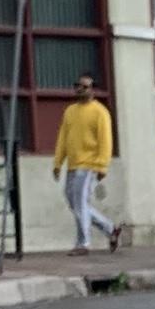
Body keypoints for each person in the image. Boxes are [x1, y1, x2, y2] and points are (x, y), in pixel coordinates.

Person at [51, 73, 116, 251]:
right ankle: (110, 228)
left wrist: (102, 165)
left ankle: (83, 243)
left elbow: (105, 140)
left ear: (93, 90)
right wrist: (58, 163)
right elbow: (63, 138)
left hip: (90, 165)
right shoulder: (70, 111)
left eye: (84, 86)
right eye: (77, 85)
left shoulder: (100, 112)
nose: (79, 89)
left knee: (79, 203)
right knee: (74, 202)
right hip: (73, 164)